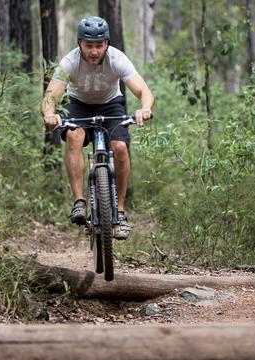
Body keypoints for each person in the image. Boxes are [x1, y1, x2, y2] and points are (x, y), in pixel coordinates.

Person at [41, 16, 154, 240]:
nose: (94, 51)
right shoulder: (69, 62)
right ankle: (79, 203)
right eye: (89, 45)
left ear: (107, 44)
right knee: (74, 136)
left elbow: (143, 91)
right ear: (79, 44)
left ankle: (120, 212)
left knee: (120, 147)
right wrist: (49, 113)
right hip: (79, 105)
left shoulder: (117, 59)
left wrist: (145, 108)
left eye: (99, 46)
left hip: (111, 105)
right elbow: (50, 96)